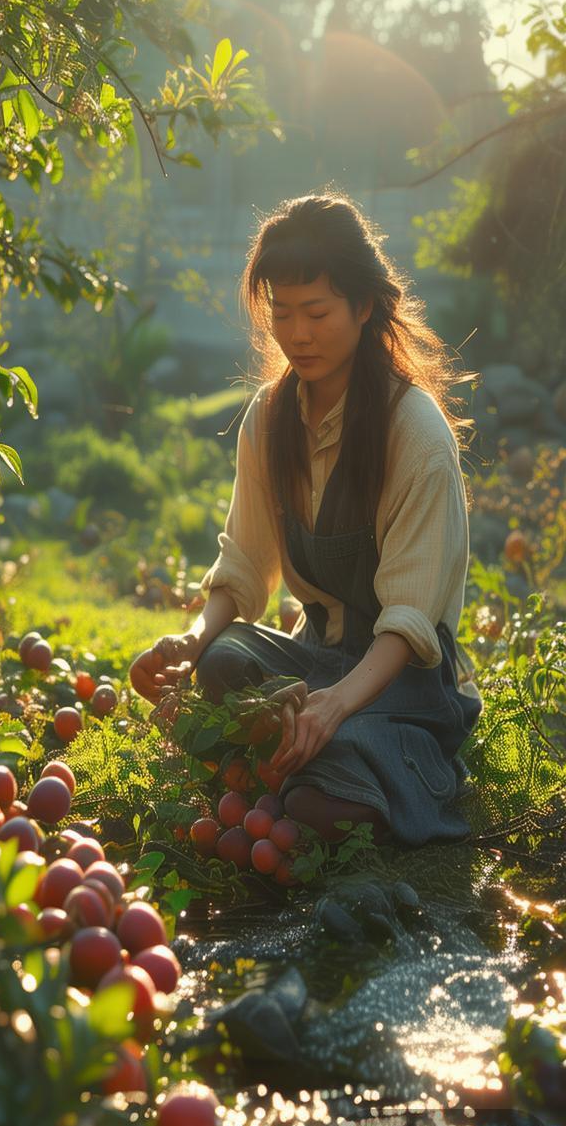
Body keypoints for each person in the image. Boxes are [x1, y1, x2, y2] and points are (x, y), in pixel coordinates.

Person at [129, 193, 483, 849]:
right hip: (315, 656)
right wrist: (190, 642)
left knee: (316, 803)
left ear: (364, 305)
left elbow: (408, 621)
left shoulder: (415, 432)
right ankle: (305, 757)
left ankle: (399, 763)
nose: (297, 334)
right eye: (282, 313)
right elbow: (244, 567)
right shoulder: (270, 419)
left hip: (400, 679)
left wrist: (335, 706)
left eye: (316, 313)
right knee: (224, 658)